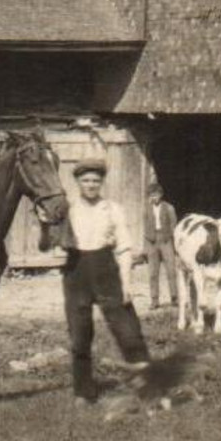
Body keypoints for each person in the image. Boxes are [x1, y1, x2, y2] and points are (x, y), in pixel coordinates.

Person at [60, 158, 152, 404]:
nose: (91, 185)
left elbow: (123, 247)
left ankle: (148, 387)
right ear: (78, 182)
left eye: (95, 181)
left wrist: (127, 283)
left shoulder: (113, 209)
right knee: (79, 336)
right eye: (86, 180)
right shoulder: (66, 210)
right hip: (75, 272)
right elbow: (49, 245)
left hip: (107, 271)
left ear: (102, 183)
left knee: (129, 332)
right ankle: (83, 391)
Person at [138, 182, 181, 311]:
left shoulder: (169, 208)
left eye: (156, 195)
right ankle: (154, 300)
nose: (154, 198)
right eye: (151, 195)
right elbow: (145, 227)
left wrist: (172, 241)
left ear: (161, 195)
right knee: (153, 273)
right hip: (151, 241)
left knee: (171, 271)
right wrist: (145, 247)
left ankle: (174, 298)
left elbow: (174, 226)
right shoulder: (146, 209)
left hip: (165, 240)